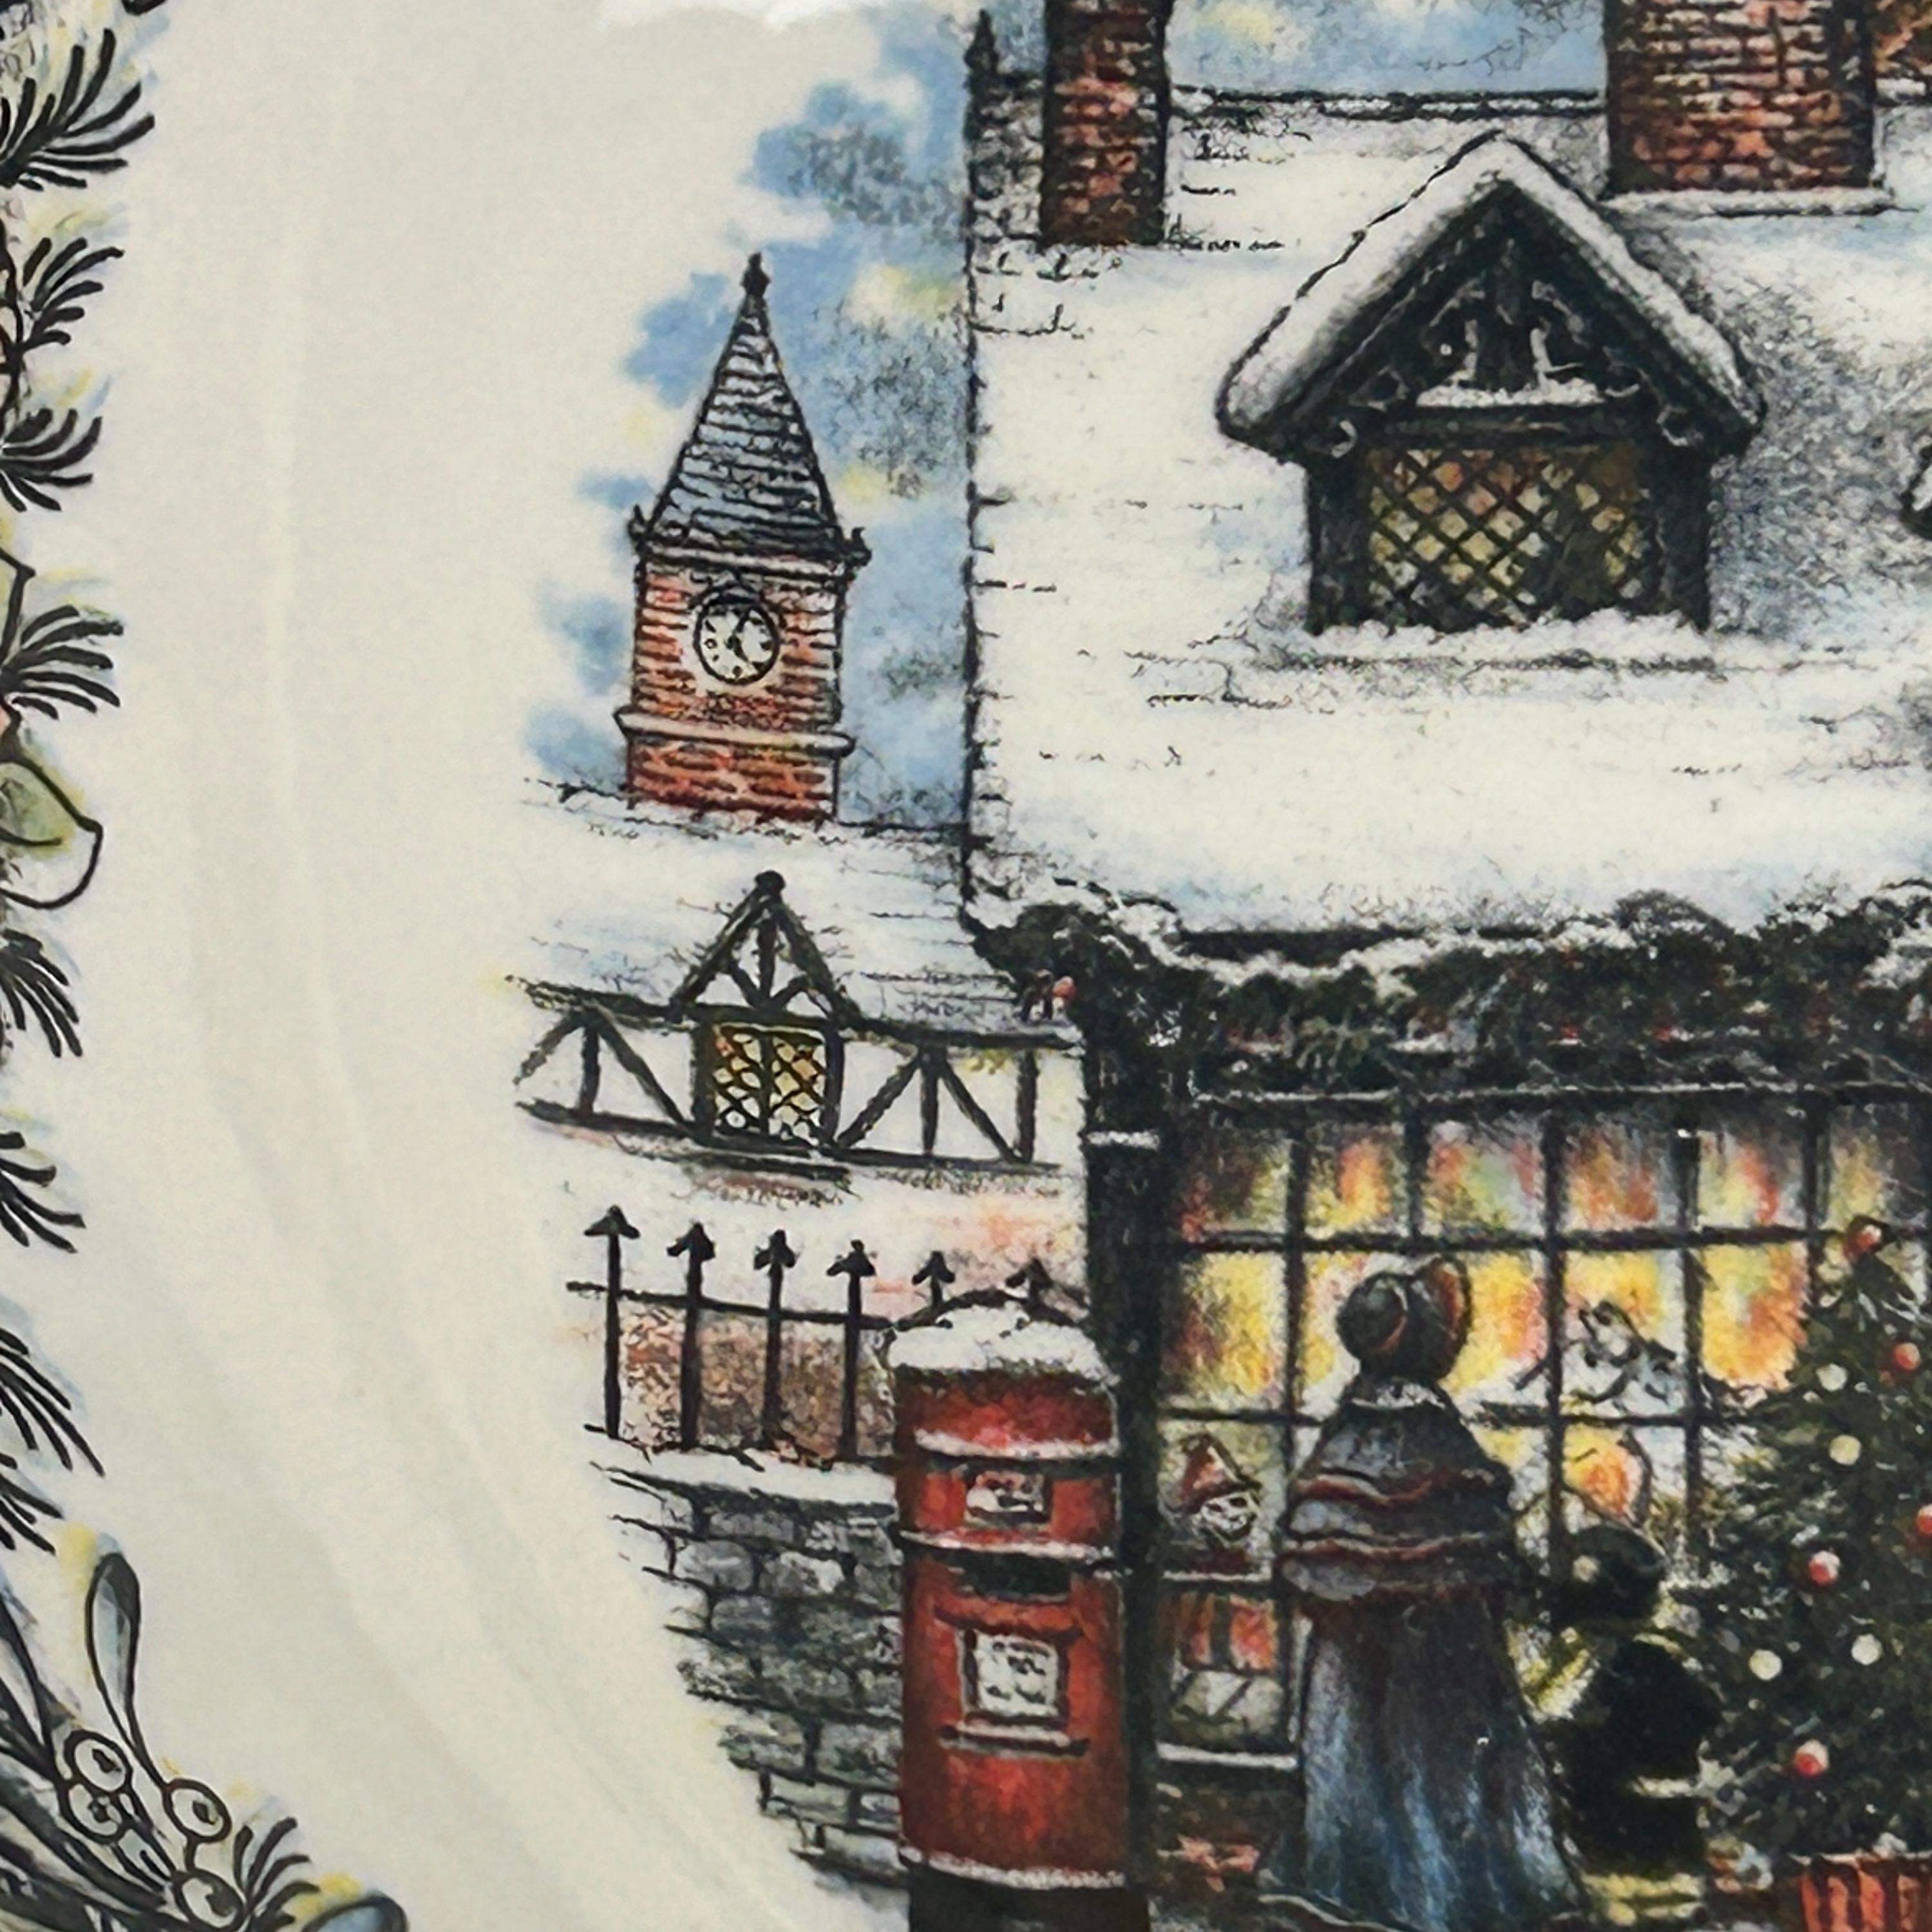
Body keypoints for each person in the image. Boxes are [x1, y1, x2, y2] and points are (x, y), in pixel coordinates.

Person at [1265, 1260, 1583, 1932]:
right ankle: (1436, 1900)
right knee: (1439, 1765)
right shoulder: (1438, 1434)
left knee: (1358, 1753)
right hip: (1446, 1651)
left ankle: (1360, 1892)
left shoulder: (1346, 1431)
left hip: (1359, 1644)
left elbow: (1312, 1554)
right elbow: (1482, 1550)